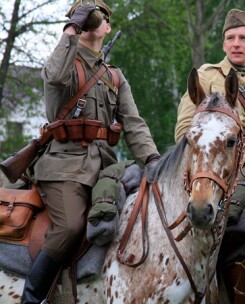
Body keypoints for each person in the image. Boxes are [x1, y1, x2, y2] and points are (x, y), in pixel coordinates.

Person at [22, 1, 160, 302]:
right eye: (83, 15)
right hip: (63, 166)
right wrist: (73, 26)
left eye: (99, 16)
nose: (93, 19)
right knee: (71, 226)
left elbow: (133, 123)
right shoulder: (62, 63)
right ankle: (32, 297)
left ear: (107, 27)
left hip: (104, 169)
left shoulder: (114, 76)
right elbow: (56, 76)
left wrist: (152, 159)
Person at [174, 8, 245, 164]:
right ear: (224, 45)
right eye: (230, 38)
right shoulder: (206, 76)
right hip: (214, 162)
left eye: (243, 38)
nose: (236, 44)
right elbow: (184, 127)